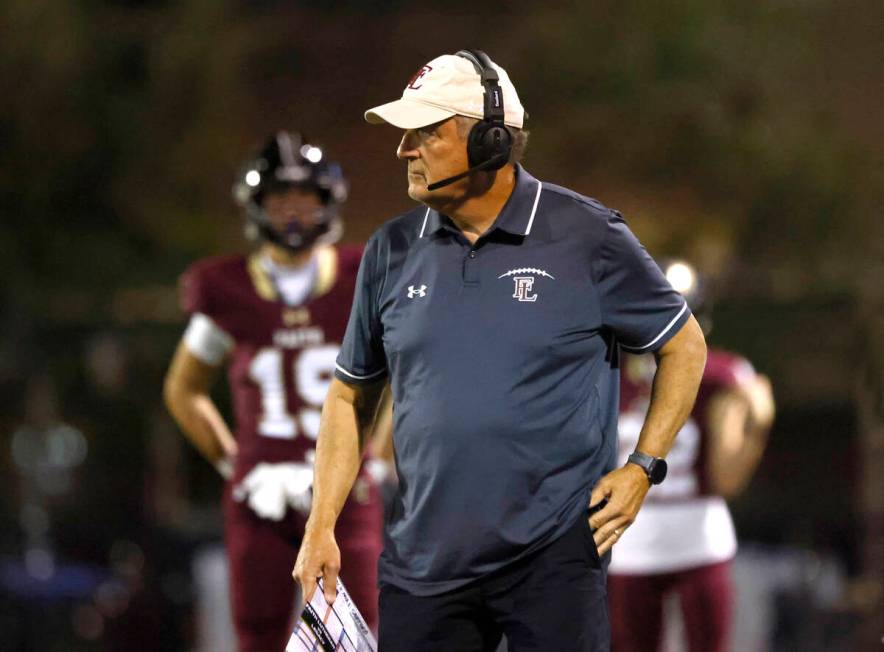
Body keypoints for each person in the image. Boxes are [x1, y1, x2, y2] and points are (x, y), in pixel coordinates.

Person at [292, 50, 708, 651]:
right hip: (422, 563)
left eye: (425, 132)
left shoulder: (588, 236)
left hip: (555, 556)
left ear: (490, 142)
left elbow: (684, 345)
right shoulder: (390, 250)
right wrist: (321, 523)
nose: (402, 149)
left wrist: (643, 467)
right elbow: (348, 393)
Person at [163, 132, 384, 651]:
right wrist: (233, 462)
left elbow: (400, 373)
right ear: (256, 206)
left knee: (352, 632)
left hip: (346, 488)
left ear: (328, 203)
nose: (291, 214)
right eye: (280, 200)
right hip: (261, 490)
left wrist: (384, 454)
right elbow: (183, 389)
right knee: (257, 634)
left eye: (304, 199)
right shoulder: (229, 289)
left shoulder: (360, 278)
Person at [608, 260, 775, 652]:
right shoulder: (610, 371)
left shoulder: (722, 374)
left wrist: (752, 425)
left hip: (698, 535)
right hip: (631, 540)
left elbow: (737, 459)